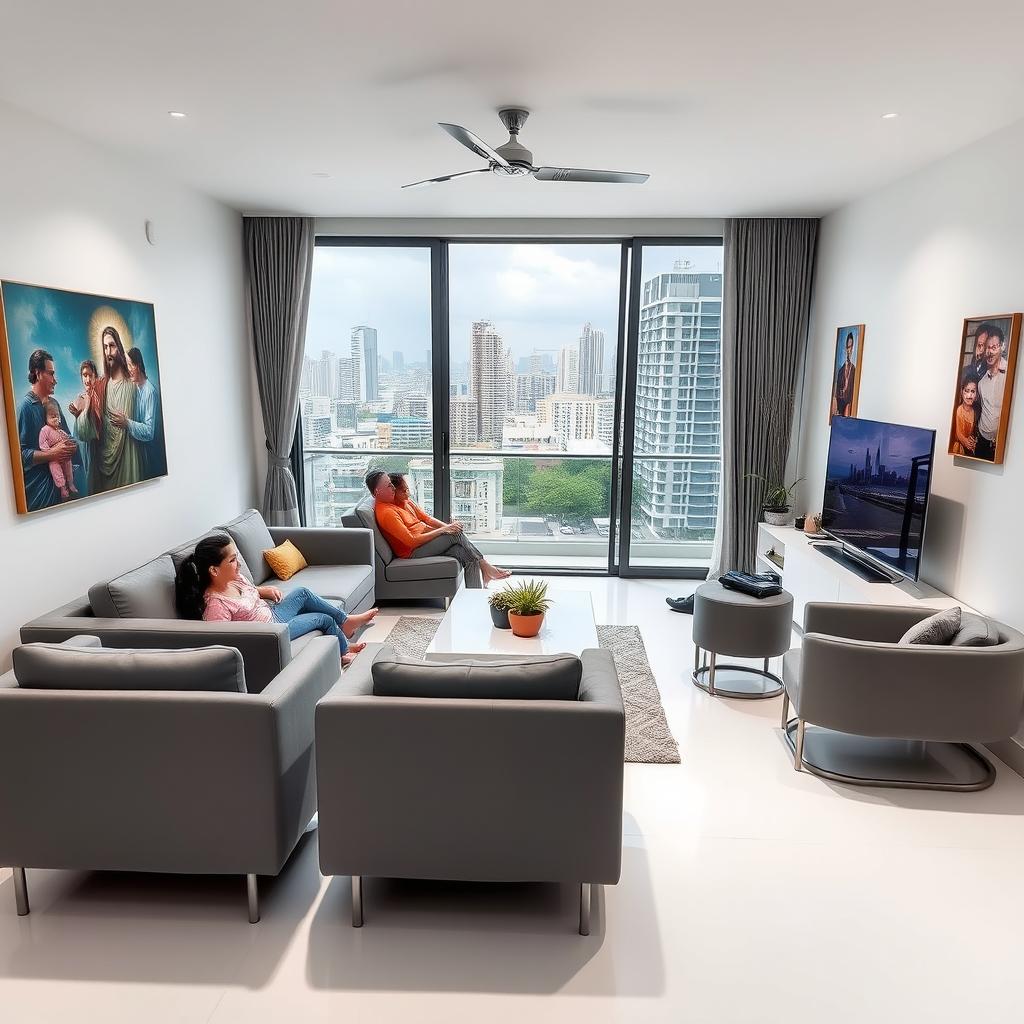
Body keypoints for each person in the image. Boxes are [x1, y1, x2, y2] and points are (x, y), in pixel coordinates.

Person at [174, 534, 378, 667]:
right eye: (232, 560)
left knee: (302, 592)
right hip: (272, 630)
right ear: (213, 570)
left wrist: (264, 590)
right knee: (322, 619)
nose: (238, 564)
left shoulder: (235, 580)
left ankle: (347, 622)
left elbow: (250, 592)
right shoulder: (216, 605)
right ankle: (343, 652)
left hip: (271, 613)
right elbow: (225, 642)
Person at [366, 470, 511, 589]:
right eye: (388, 485)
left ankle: (474, 596)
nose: (392, 487)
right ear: (377, 492)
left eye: (392, 484)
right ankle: (486, 566)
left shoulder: (403, 502)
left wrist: (447, 527)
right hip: (413, 552)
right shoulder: (387, 513)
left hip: (425, 543)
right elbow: (411, 542)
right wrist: (445, 530)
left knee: (465, 554)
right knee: (455, 534)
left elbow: (427, 519)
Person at [15, 348, 80, 511]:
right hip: (40, 496)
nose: (55, 380)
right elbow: (21, 455)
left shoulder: (54, 405)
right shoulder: (25, 408)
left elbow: (68, 437)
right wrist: (52, 454)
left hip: (61, 491)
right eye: (51, 374)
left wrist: (71, 445)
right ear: (37, 374)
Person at [92, 325, 143, 492]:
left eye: (112, 346)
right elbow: (97, 422)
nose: (108, 352)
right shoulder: (102, 385)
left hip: (128, 454)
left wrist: (127, 423)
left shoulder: (132, 383)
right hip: (105, 461)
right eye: (105, 347)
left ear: (119, 348)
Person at [112, 346, 164, 477]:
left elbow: (148, 432)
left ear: (139, 365)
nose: (128, 370)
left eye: (130, 365)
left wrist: (127, 423)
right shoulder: (134, 388)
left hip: (151, 458)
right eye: (127, 365)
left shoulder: (149, 391)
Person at [975, 325, 1006, 462]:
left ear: (1002, 347)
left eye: (994, 347)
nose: (990, 352)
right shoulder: (981, 383)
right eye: (988, 347)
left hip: (1003, 444)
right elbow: (982, 409)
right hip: (982, 440)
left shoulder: (1011, 375)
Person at [68, 359, 101, 487]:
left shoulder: (99, 397)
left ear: (95, 376)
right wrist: (78, 415)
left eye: (90, 375)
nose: (87, 380)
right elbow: (78, 431)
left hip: (97, 448)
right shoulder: (80, 398)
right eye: (84, 375)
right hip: (84, 447)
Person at [39, 400, 78, 500]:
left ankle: (70, 483)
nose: (56, 419)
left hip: (64, 456)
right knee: (56, 470)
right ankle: (62, 488)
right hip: (54, 457)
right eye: (52, 417)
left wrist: (69, 442)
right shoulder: (45, 430)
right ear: (46, 418)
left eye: (57, 416)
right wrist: (49, 452)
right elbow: (42, 443)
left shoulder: (59, 430)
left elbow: (66, 437)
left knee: (68, 467)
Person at [829, 331, 857, 422]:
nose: (850, 350)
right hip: (840, 406)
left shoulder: (853, 370)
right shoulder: (840, 370)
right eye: (848, 347)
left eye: (852, 347)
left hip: (848, 408)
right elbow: (836, 392)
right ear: (845, 349)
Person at [951, 373, 979, 457]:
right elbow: (958, 433)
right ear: (962, 392)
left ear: (976, 394)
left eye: (973, 391)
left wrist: (972, 441)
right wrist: (965, 441)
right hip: (960, 449)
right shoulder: (959, 410)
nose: (969, 395)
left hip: (970, 449)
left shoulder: (976, 411)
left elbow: (973, 431)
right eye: (966, 391)